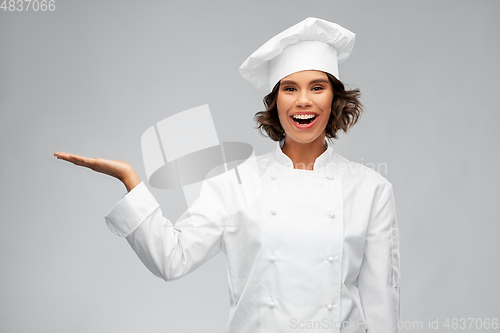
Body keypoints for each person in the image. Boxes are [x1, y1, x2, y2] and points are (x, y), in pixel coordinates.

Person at [54, 17, 400, 333]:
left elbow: (380, 306)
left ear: (335, 98)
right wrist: (130, 179)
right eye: (290, 88)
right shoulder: (237, 182)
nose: (303, 101)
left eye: (317, 87)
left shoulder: (371, 190)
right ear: (275, 102)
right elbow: (172, 259)